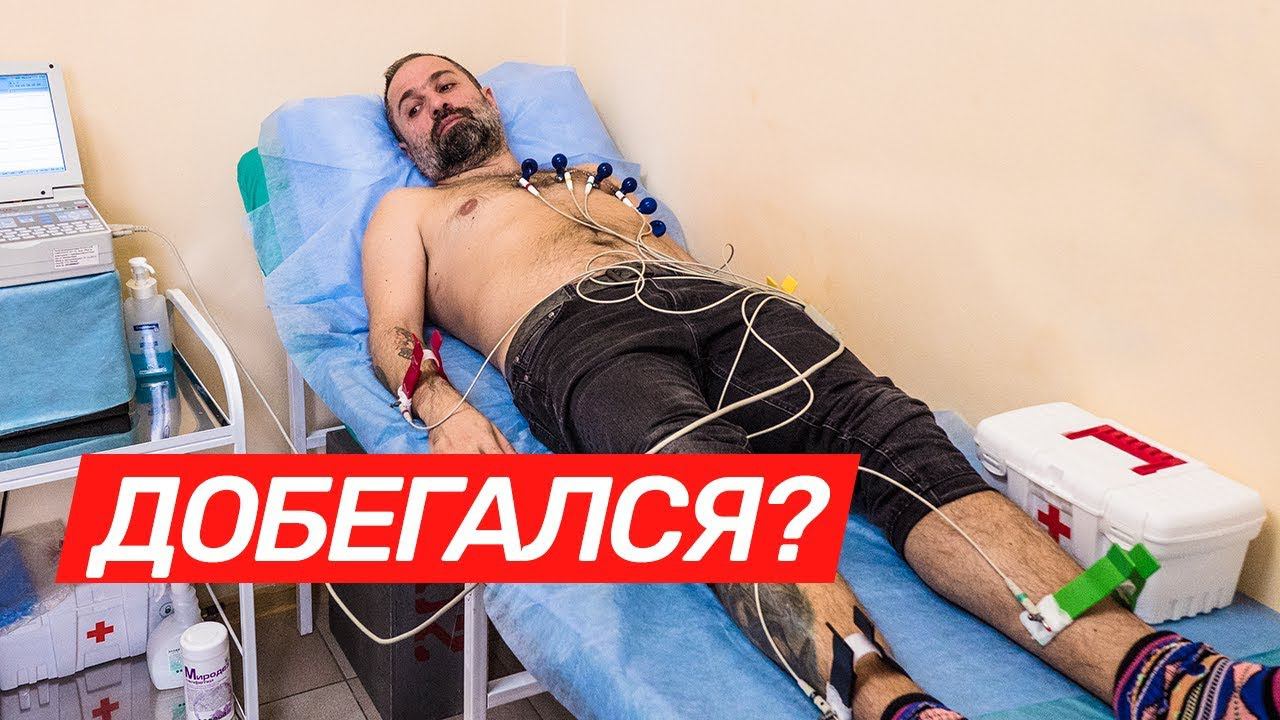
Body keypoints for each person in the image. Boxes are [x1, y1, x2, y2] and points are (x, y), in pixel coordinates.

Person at [361, 52, 1279, 720]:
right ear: (406, 142)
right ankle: (888, 702)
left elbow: (682, 258)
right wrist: (442, 408)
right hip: (574, 334)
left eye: (446, 85)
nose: (436, 105)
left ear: (487, 96)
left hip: (728, 306)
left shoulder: (586, 185)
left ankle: (1164, 677)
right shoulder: (413, 211)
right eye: (412, 107)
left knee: (901, 440)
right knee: (718, 492)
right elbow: (390, 332)